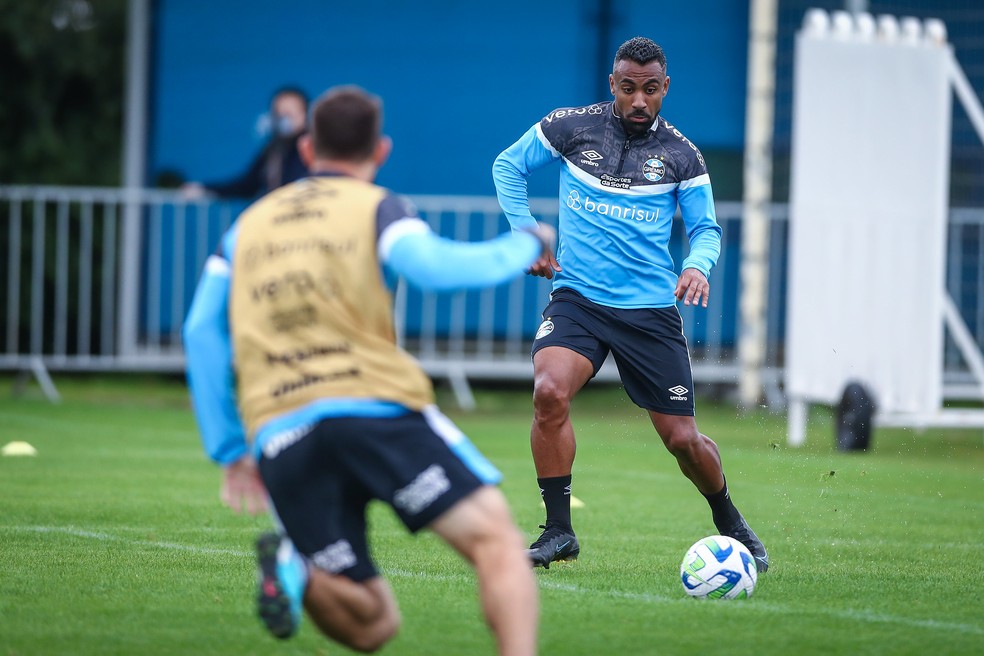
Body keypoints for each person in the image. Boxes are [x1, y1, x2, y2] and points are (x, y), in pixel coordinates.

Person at [183, 85, 553, 655]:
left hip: (282, 432)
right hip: (374, 411)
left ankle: (299, 571)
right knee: (497, 545)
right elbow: (436, 268)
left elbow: (200, 332)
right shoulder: (377, 207)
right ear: (380, 151)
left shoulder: (247, 228)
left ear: (307, 150)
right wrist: (523, 244)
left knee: (373, 626)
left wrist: (230, 449)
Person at [491, 36, 769, 573]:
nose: (638, 100)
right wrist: (525, 231)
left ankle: (729, 520)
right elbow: (508, 165)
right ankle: (558, 532)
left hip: (648, 314)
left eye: (649, 89)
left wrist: (696, 265)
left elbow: (706, 230)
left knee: (682, 440)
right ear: (612, 85)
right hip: (578, 299)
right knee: (549, 392)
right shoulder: (572, 127)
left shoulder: (682, 155)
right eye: (627, 88)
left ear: (665, 88)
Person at [181, 86, 310, 200]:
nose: (284, 119)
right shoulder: (273, 150)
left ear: (305, 114)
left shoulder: (315, 147)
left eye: (289, 113)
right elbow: (247, 185)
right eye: (279, 113)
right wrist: (205, 189)